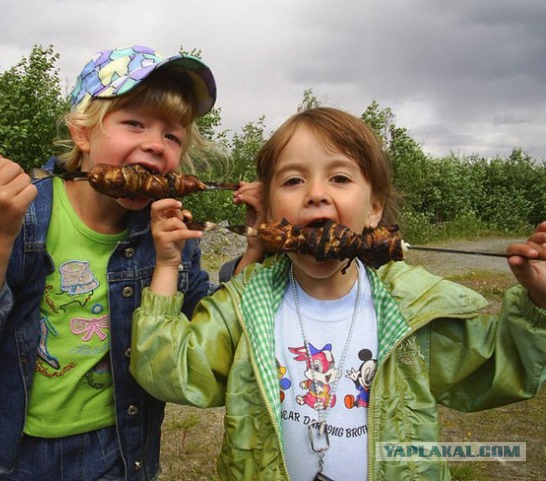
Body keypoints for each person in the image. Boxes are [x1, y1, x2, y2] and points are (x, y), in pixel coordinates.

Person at [130, 107, 546, 481]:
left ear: (374, 208)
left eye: (340, 178)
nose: (316, 193)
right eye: (293, 180)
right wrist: (167, 266)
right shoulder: (244, 306)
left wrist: (540, 303)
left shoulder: (411, 309)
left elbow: (504, 368)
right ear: (271, 213)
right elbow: (167, 371)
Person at [0, 45, 256, 481]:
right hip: (28, 453)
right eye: (134, 122)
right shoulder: (23, 213)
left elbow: (201, 319)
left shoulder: (169, 224)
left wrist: (256, 245)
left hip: (125, 445)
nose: (154, 145)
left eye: (172, 135)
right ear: (83, 133)